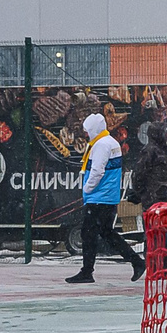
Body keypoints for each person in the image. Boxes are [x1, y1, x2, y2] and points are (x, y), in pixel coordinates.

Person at [63, 112, 143, 285]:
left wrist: (87, 188)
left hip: (99, 197)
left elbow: (97, 171)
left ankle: (87, 271)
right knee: (107, 233)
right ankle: (135, 261)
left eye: (87, 129)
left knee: (88, 233)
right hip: (108, 197)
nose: (85, 133)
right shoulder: (111, 142)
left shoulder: (100, 145)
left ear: (93, 129)